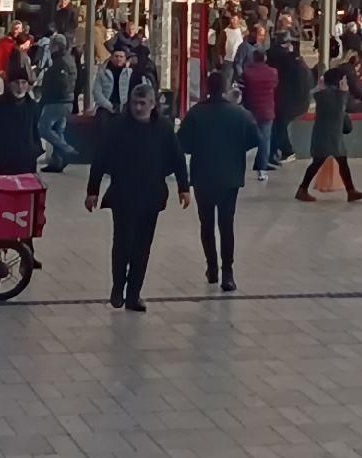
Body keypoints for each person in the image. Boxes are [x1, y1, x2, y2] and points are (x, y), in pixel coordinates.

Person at [84, 80, 189, 312]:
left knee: (143, 246)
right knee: (122, 243)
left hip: (151, 196)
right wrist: (93, 191)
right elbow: (100, 158)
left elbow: (177, 156)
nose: (138, 108)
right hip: (123, 194)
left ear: (152, 104)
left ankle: (134, 293)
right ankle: (118, 286)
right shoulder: (118, 127)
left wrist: (184, 187)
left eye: (143, 103)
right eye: (134, 103)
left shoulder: (163, 128)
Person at [177, 69, 262, 290]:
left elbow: (182, 144)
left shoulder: (196, 113)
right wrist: (236, 149)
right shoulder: (239, 114)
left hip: (203, 176)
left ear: (207, 88)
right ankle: (228, 272)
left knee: (206, 224)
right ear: (225, 89)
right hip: (230, 176)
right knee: (227, 224)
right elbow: (256, 139)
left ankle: (212, 267)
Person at [294, 63, 362, 205]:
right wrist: (344, 92)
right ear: (339, 81)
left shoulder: (324, 95)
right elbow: (340, 111)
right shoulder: (336, 97)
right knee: (319, 163)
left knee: (337, 162)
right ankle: (302, 189)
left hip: (327, 136)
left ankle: (351, 191)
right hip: (330, 137)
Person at [36, 33, 79, 174]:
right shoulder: (67, 59)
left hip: (58, 101)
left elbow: (61, 83)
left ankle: (66, 149)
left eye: (51, 45)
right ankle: (58, 161)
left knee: (44, 128)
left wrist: (44, 96)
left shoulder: (61, 62)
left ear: (56, 46)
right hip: (66, 100)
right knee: (58, 130)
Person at [237, 46, 279, 180]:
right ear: (265, 58)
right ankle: (261, 169)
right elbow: (275, 86)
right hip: (267, 111)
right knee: (265, 140)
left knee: (242, 139)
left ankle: (238, 165)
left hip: (250, 110)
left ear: (253, 58)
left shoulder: (247, 73)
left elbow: (242, 88)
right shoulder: (273, 72)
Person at [270, 37, 311, 165]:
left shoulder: (288, 67)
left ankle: (287, 151)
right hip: (299, 102)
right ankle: (278, 149)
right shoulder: (300, 66)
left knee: (279, 123)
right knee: (278, 123)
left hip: (293, 104)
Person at [92, 44, 133, 117]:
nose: (118, 59)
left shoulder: (130, 74)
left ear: (124, 59)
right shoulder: (102, 72)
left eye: (121, 57)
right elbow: (96, 92)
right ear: (111, 58)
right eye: (116, 56)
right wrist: (108, 105)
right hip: (104, 107)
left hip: (123, 108)